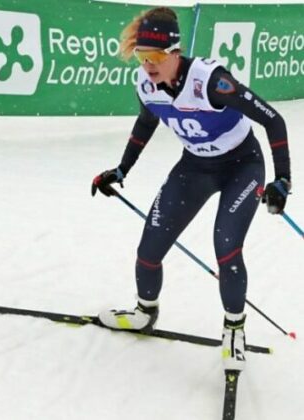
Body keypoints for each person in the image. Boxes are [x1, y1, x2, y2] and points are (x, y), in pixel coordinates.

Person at [91, 7, 291, 371]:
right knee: (150, 247)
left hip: (242, 166)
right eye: (141, 56)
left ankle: (234, 329)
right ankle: (144, 312)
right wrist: (121, 169)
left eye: (155, 57)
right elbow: (146, 122)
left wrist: (282, 180)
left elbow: (273, 120)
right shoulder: (145, 83)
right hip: (196, 167)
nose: (148, 65)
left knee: (226, 246)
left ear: (175, 52)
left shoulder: (211, 81)